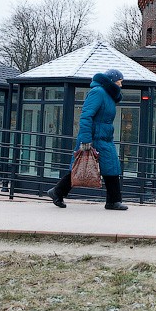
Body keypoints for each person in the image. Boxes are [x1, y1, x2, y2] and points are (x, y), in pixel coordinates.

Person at [46, 68, 128, 210]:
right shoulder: (98, 92)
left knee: (112, 167)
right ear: (111, 81)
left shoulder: (108, 95)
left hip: (104, 138)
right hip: (93, 138)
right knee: (81, 166)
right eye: (119, 82)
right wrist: (85, 141)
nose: (121, 85)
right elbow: (85, 116)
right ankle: (58, 192)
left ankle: (113, 201)